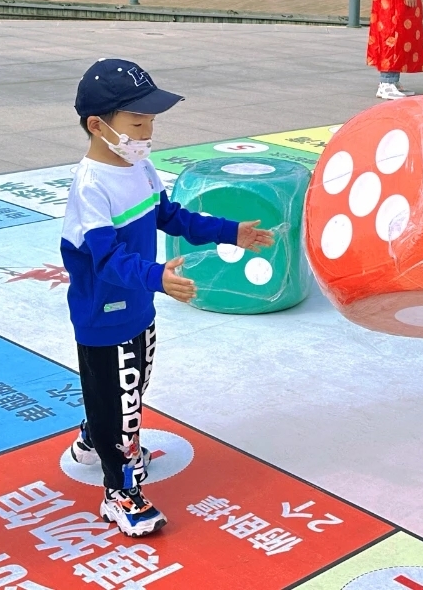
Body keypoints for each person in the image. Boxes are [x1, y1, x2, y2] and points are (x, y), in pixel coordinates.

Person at [62, 58, 273, 536]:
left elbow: (171, 217)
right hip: (104, 315)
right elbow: (106, 259)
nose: (148, 132)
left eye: (151, 122)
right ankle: (120, 493)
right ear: (97, 126)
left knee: (129, 391)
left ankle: (97, 435)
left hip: (138, 305)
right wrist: (157, 276)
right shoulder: (91, 187)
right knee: (122, 400)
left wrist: (231, 232)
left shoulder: (140, 168)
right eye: (137, 123)